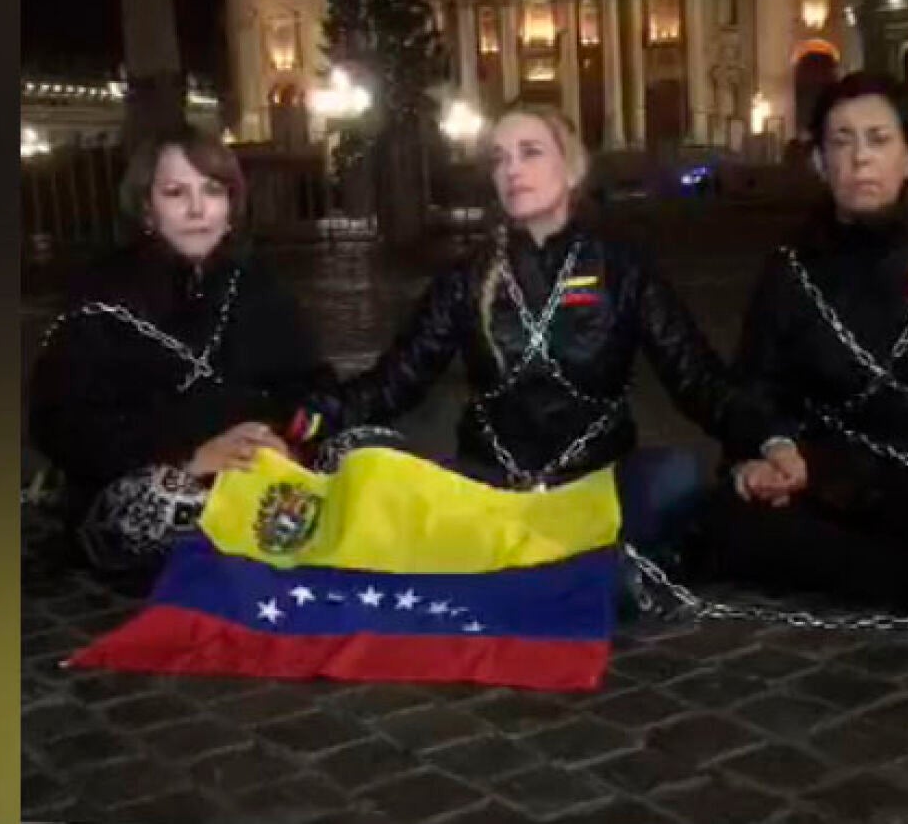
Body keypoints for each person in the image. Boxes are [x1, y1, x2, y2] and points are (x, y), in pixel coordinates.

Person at [297, 103, 804, 572]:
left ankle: (544, 558)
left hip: (594, 483)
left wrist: (769, 439)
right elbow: (396, 380)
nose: (511, 169)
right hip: (494, 483)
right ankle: (579, 563)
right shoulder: (466, 279)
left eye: (530, 152)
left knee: (677, 475)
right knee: (386, 471)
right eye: (499, 159)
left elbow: (696, 376)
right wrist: (311, 419)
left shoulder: (623, 270)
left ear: (572, 168)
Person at [27, 124, 338, 574]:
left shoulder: (257, 285)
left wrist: (283, 436)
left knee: (362, 451)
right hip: (148, 482)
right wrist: (191, 456)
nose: (197, 208)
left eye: (212, 190)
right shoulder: (102, 296)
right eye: (175, 192)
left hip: (257, 470)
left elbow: (315, 385)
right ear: (147, 210)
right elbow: (62, 424)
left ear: (230, 207)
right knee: (175, 501)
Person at [696, 72, 908, 612]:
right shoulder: (791, 268)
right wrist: (771, 450)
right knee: (727, 520)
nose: (861, 159)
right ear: (821, 163)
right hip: (834, 481)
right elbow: (756, 385)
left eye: (878, 140)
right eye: (842, 143)